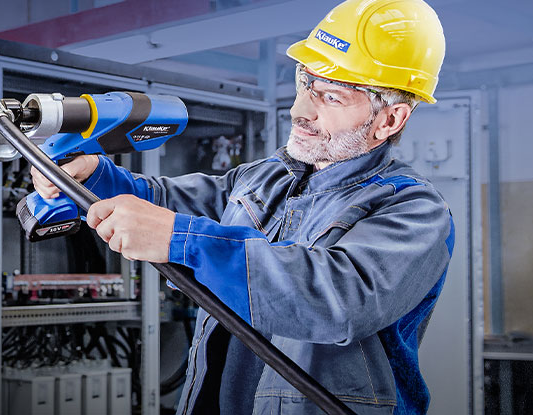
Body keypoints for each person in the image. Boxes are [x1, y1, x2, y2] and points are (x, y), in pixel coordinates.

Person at [31, 0, 453, 413]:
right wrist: (91, 177)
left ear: (390, 120)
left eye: (331, 97)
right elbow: (169, 201)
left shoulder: (413, 210)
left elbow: (337, 300)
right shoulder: (266, 177)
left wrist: (181, 240)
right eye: (305, 82)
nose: (299, 110)